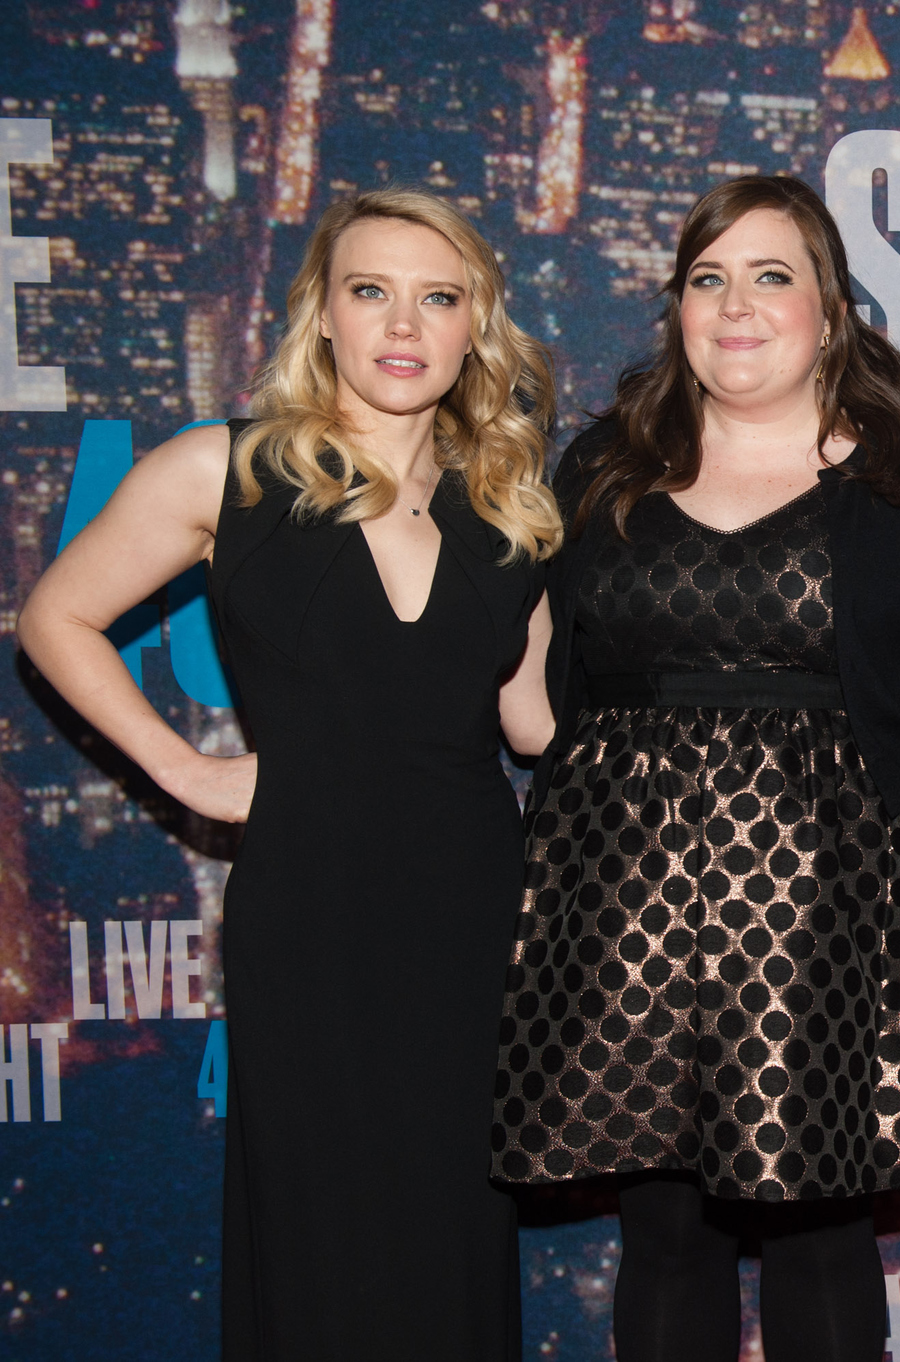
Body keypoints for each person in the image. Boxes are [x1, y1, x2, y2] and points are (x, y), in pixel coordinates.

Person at [488, 174, 900, 1361]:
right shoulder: (598, 469)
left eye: (770, 275)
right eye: (706, 279)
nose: (735, 306)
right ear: (677, 306)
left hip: (834, 922)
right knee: (664, 1237)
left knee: (818, 1239)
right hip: (621, 905)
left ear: (830, 310)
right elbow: (537, 718)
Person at [18, 189, 560, 1359]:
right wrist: (187, 771)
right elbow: (55, 615)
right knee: (318, 1233)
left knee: (456, 1234)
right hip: (309, 907)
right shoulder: (224, 471)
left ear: (477, 328)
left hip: (472, 919)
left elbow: (530, 725)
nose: (402, 323)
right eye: (370, 291)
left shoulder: (509, 507)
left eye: (438, 297)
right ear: (323, 314)